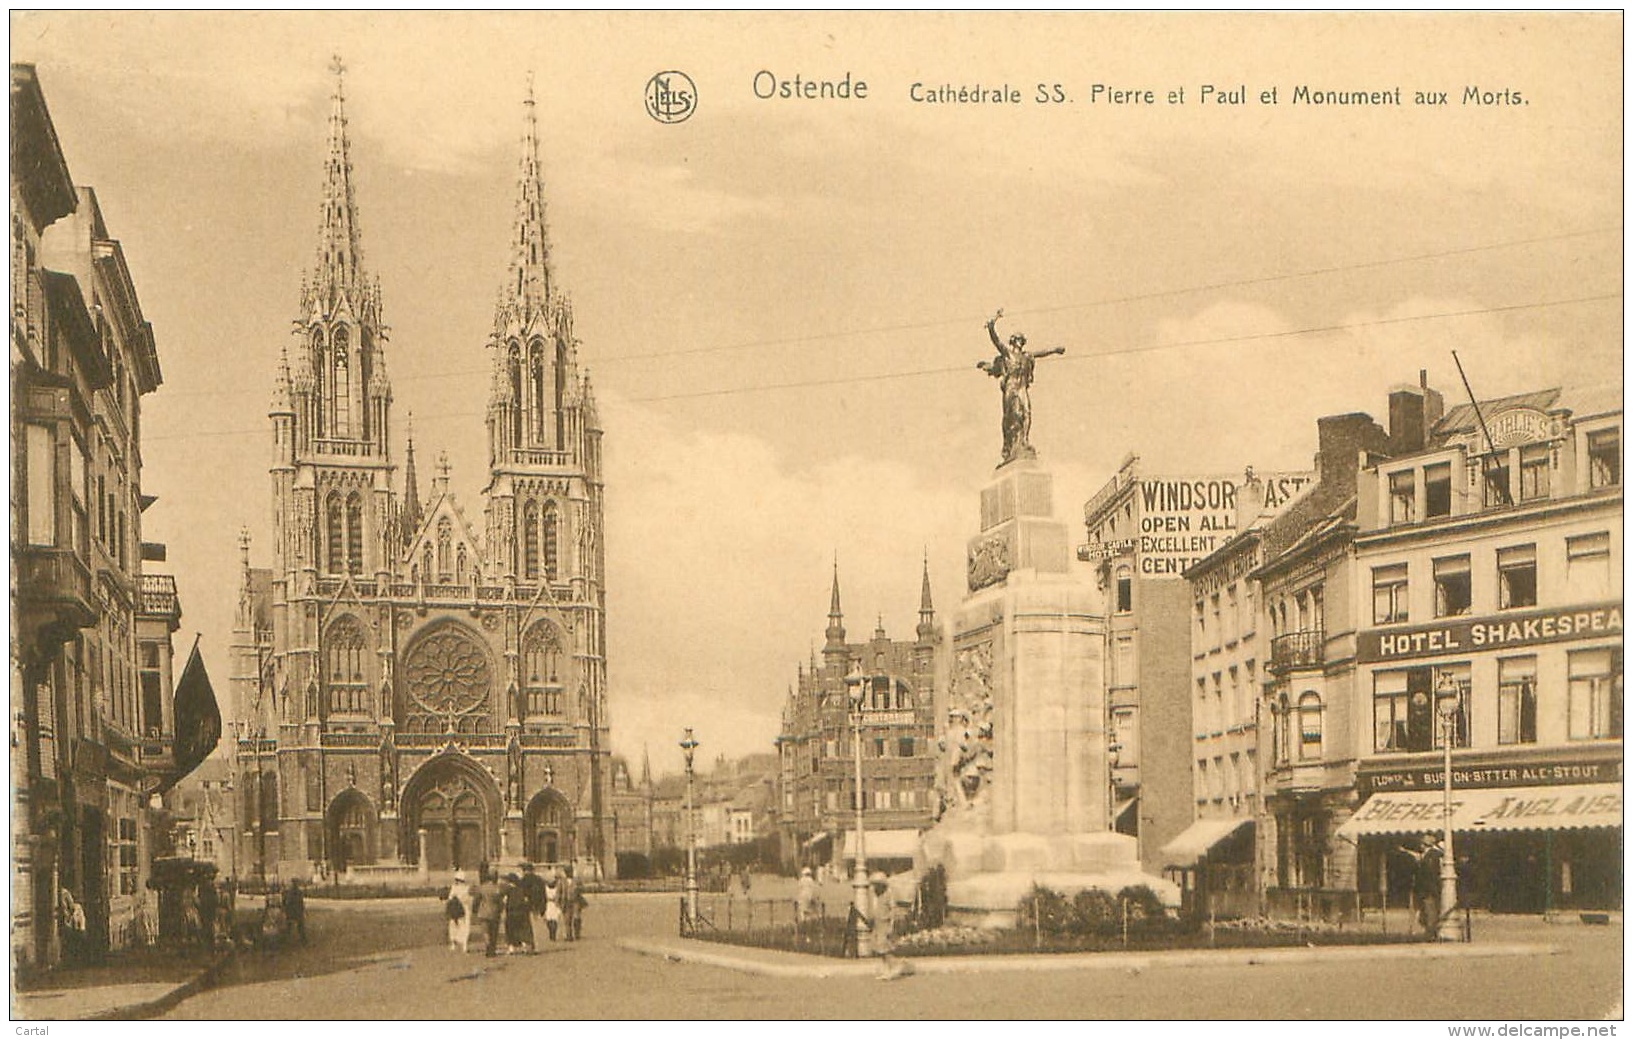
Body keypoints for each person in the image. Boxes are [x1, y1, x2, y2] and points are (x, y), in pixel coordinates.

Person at [867, 871, 911, 981]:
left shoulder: (888, 894)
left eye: (877, 884)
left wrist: (891, 925)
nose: (875, 887)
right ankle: (886, 970)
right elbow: (874, 908)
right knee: (879, 948)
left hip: (885, 924)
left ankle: (895, 965)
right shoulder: (875, 895)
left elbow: (892, 911)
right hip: (877, 924)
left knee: (885, 949)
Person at [1415, 832, 1446, 938]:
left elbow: (1430, 873)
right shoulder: (1433, 854)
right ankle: (1431, 931)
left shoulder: (1432, 855)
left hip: (1429, 889)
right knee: (1429, 910)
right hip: (1430, 888)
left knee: (1430, 910)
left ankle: (1431, 932)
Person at [472, 868, 505, 957]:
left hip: (483, 912)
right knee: (494, 932)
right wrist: (501, 909)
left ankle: (488, 945)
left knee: (485, 931)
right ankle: (492, 949)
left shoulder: (482, 887)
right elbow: (500, 901)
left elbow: (476, 899)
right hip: (494, 912)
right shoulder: (497, 889)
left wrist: (474, 909)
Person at [503, 872, 535, 954]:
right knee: (523, 930)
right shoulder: (522, 890)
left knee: (511, 930)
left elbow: (505, 901)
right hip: (522, 912)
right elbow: (527, 901)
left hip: (511, 912)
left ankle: (511, 948)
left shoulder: (507, 890)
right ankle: (525, 947)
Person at [517, 862, 546, 941]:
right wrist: (543, 907)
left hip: (526, 906)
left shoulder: (522, 881)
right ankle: (538, 944)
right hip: (537, 905)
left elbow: (520, 895)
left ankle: (530, 944)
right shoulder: (539, 880)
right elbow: (543, 894)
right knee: (537, 927)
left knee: (527, 926)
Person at [445, 870, 472, 952]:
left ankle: (453, 943)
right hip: (465, 909)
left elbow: (450, 899)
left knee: (453, 926)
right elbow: (469, 900)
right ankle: (465, 945)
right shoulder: (467, 888)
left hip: (456, 910)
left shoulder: (454, 888)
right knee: (465, 927)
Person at [282, 878, 307, 946]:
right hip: (295, 912)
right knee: (297, 926)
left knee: (292, 926)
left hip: (292, 912)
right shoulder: (296, 892)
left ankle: (287, 939)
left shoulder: (289, 892)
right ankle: (302, 940)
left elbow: (286, 902)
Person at [197, 874, 219, 950]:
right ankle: (210, 943)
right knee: (209, 925)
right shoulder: (212, 887)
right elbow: (216, 899)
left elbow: (200, 898)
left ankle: (207, 942)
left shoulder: (202, 887)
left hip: (205, 909)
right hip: (209, 909)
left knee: (206, 925)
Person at [559, 865, 579, 942]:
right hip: (566, 902)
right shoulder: (562, 881)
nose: (569, 873)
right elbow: (559, 892)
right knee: (567, 920)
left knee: (575, 918)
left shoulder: (576, 880)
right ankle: (568, 935)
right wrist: (558, 902)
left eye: (570, 871)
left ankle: (576, 933)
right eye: (567, 871)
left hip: (575, 902)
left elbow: (581, 889)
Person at [542, 871, 563, 942]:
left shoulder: (557, 887)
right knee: (549, 920)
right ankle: (551, 931)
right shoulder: (545, 888)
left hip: (554, 904)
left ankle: (553, 933)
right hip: (548, 904)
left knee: (554, 920)